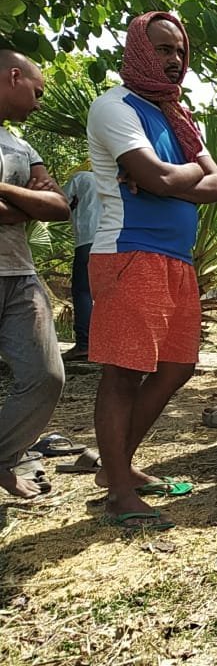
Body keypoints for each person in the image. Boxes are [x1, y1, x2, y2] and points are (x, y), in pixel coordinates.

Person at [86, 13, 217, 527]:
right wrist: (181, 175)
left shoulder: (177, 116)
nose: (175, 60)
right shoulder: (114, 107)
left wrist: (170, 177)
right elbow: (161, 177)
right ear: (140, 52)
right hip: (130, 251)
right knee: (124, 372)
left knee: (177, 366)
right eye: (164, 49)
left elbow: (216, 186)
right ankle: (119, 493)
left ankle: (115, 469)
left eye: (180, 51)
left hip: (176, 258)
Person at [0, 50, 69, 499]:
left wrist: (6, 191)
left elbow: (59, 207)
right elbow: (36, 205)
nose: (40, 103)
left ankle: (2, 457)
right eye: (37, 92)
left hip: (19, 274)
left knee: (47, 377)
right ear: (13, 76)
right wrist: (26, 201)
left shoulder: (21, 146)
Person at [62, 170, 99, 361]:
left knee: (83, 291)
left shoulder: (83, 178)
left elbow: (60, 203)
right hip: (121, 241)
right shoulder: (125, 179)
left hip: (89, 239)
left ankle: (85, 344)